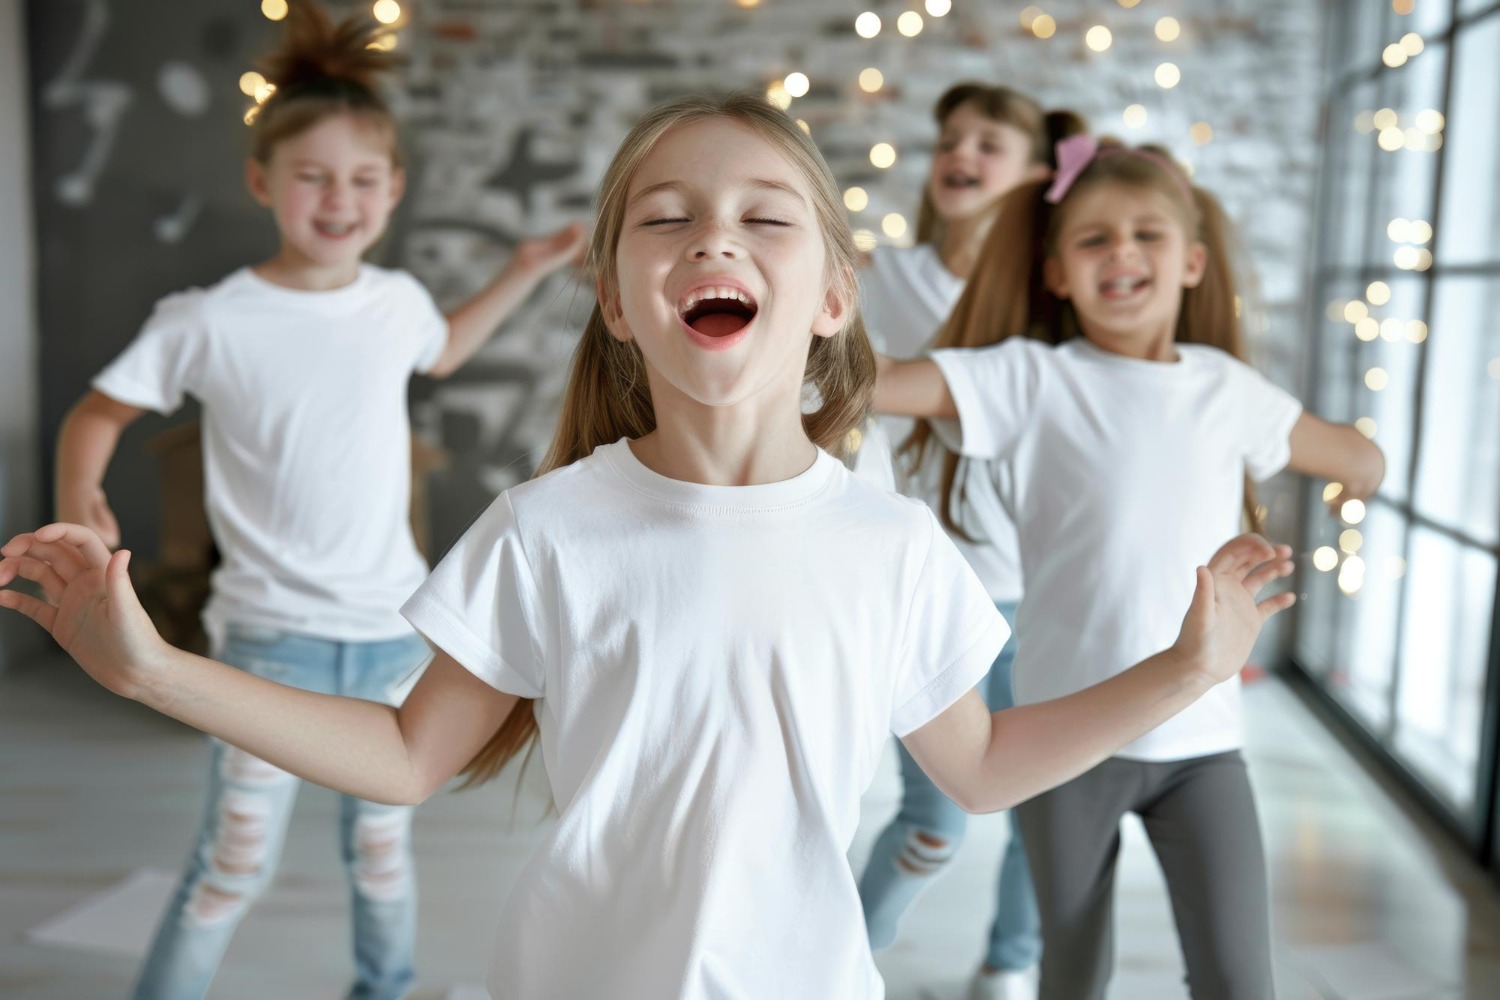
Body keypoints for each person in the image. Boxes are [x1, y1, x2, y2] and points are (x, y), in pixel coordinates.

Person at [2, 96, 1295, 1000]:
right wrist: (153, 670)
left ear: (832, 298)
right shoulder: (548, 527)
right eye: (666, 219)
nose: (714, 238)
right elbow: (405, 757)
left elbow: (986, 767)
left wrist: (1189, 668)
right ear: (619, 302)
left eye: (764, 218)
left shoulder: (894, 545)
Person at [48, 5, 584, 998]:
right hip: (268, 643)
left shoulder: (397, 304)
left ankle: (384, 988)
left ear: (394, 190)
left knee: (381, 858)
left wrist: (523, 268)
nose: (340, 199)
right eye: (313, 176)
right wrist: (80, 491)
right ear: (262, 182)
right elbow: (96, 411)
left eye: (364, 179)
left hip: (394, 638)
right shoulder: (210, 320)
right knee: (231, 866)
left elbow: (446, 350)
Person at [873, 134, 1385, 1000]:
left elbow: (1358, 458)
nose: (1121, 252)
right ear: (1057, 274)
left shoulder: (1226, 389)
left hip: (1204, 746)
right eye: (1094, 238)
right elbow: (881, 383)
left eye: (1147, 234)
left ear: (1191, 263)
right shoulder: (1028, 379)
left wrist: (1360, 472)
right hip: (1067, 738)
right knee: (1073, 975)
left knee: (1239, 981)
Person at [856, 82, 1085, 1000]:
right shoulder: (884, 275)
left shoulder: (1055, 294)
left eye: (989, 143)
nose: (961, 153)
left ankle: (1008, 965)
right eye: (951, 138)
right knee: (933, 819)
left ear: (1037, 173)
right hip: (933, 589)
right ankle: (833, 960)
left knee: (1044, 815)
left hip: (1043, 588)